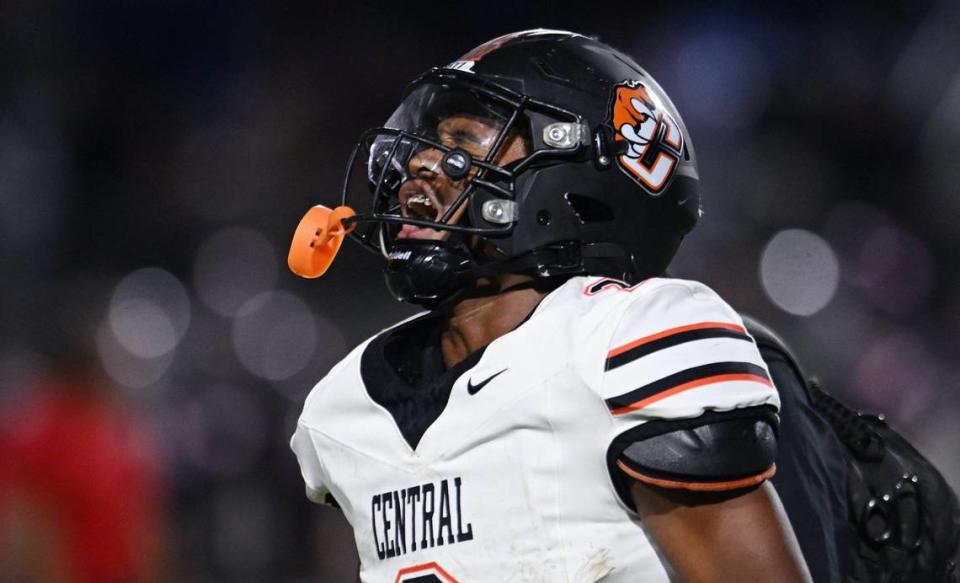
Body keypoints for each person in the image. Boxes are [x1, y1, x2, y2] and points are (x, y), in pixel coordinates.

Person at [289, 29, 814, 582]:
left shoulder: (620, 345)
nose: (421, 163)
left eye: (464, 139)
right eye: (426, 141)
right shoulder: (345, 409)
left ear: (576, 171)